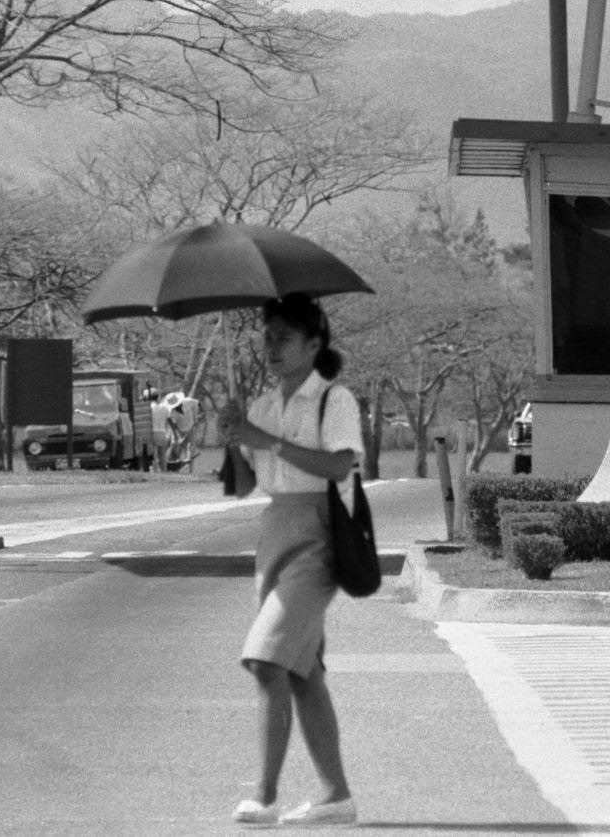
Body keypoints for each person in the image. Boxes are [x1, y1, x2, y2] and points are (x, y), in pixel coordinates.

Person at [230, 293, 362, 828]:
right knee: (304, 672)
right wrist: (232, 439)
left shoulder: (335, 401)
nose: (272, 347)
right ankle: (335, 795)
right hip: (275, 532)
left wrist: (267, 441)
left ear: (314, 343)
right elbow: (241, 487)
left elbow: (338, 467)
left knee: (267, 660)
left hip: (322, 535)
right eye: (267, 336)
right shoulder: (262, 405)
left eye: (284, 337)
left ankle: (263, 794)